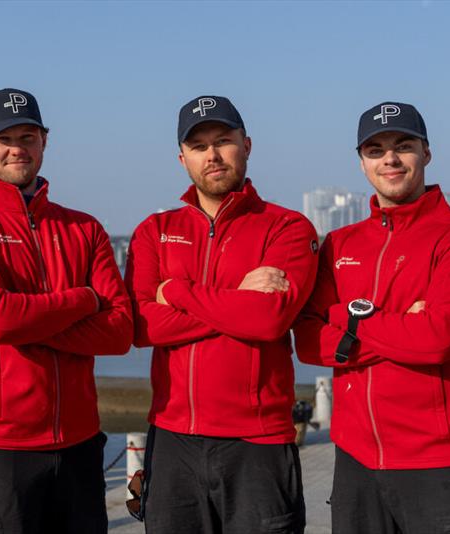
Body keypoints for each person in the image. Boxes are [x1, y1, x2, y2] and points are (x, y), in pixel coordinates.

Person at [0, 88, 133, 534]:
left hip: (79, 447)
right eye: (4, 138)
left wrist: (24, 321)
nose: (17, 148)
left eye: (27, 136)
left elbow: (119, 332)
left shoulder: (84, 228)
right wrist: (83, 300)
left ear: (44, 141)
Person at [293, 101, 450, 533]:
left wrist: (344, 318)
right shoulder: (339, 244)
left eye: (403, 146)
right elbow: (308, 343)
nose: (390, 158)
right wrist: (401, 325)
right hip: (356, 465)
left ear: (426, 153)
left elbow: (437, 340)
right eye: (376, 149)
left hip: (442, 464)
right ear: (362, 161)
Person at [124, 95, 318, 533]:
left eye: (223, 141)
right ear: (182, 158)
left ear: (246, 145)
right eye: (198, 146)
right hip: (171, 440)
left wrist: (176, 291)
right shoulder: (155, 231)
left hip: (258, 441)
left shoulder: (287, 227)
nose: (211, 155)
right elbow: (141, 325)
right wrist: (237, 299)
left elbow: (268, 320)